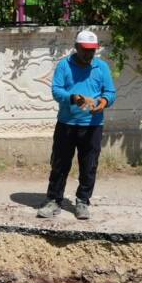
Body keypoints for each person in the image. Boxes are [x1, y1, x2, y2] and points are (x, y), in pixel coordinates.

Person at [37, 29, 115, 220]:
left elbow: (110, 92)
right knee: (60, 164)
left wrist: (103, 102)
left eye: (92, 50)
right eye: (85, 50)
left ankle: (82, 201)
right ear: (76, 47)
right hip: (67, 123)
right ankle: (54, 200)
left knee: (89, 165)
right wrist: (73, 97)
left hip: (93, 125)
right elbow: (56, 91)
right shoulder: (64, 66)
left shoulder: (101, 67)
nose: (89, 54)